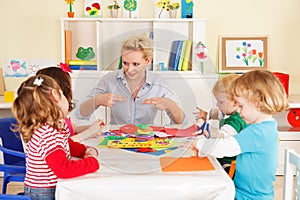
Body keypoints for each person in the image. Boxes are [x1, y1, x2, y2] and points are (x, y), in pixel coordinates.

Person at [192, 69, 289, 199]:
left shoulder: (258, 132)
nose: (238, 110)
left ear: (258, 103)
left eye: (241, 106)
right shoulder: (264, 127)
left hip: (250, 196)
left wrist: (198, 143)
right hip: (246, 191)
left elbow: (224, 147)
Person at [12, 75, 100, 200]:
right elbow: (64, 169)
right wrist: (92, 162)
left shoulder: (51, 127)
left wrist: (83, 150)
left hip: (44, 188)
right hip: (44, 192)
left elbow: (65, 143)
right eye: (62, 94)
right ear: (55, 95)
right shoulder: (47, 135)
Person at [76, 34, 185, 125]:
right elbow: (80, 113)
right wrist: (97, 100)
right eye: (125, 63)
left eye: (136, 64)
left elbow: (181, 121)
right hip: (116, 140)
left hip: (147, 139)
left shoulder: (159, 82)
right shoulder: (109, 79)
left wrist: (171, 105)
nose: (129, 69)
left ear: (148, 60)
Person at [194, 74, 247, 173]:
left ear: (235, 103)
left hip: (228, 164)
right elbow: (216, 114)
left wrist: (205, 126)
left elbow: (223, 134)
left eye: (221, 102)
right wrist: (205, 115)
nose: (218, 104)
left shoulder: (237, 120)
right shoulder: (229, 113)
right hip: (222, 158)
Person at [36, 66, 104, 142]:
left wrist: (93, 128)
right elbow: (62, 143)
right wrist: (89, 132)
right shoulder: (48, 120)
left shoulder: (62, 116)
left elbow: (74, 129)